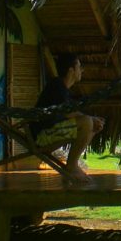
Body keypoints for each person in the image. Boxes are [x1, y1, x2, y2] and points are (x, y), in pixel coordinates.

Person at [32, 53, 104, 181]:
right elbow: (67, 112)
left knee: (93, 125)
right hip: (42, 136)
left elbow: (70, 112)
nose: (81, 70)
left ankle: (72, 165)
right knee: (87, 122)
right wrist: (90, 119)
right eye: (79, 67)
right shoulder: (56, 85)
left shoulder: (64, 90)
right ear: (71, 70)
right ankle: (71, 166)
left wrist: (92, 121)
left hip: (50, 133)